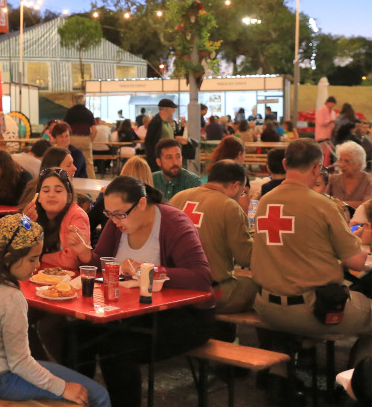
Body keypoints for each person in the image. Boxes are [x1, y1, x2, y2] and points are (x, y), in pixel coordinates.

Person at [66, 176, 214, 407]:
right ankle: (79, 402)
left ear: (142, 204)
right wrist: (85, 254)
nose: (114, 220)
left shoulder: (173, 221)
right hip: (130, 312)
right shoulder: (117, 225)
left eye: (120, 214)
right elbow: (102, 267)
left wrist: (147, 270)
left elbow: (202, 279)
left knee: (116, 349)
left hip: (183, 316)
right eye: (109, 214)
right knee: (75, 334)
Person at [0, 213, 110, 407]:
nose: (37, 266)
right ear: (9, 258)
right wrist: (63, 387)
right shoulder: (10, 296)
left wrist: (25, 218)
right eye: (33, 259)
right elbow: (20, 363)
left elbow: (21, 224)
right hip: (1, 380)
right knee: (98, 396)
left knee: (50, 369)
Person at [251, 139, 369, 349]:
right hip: (312, 309)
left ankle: (279, 373)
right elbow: (357, 263)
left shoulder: (265, 202)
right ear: (317, 168)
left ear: (286, 164)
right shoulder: (323, 205)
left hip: (266, 306)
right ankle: (359, 376)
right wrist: (357, 240)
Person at [169, 160, 258, 314]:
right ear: (235, 185)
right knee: (261, 289)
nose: (241, 196)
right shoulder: (229, 206)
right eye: (242, 192)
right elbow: (245, 257)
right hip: (211, 289)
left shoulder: (178, 198)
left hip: (174, 286)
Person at [19, 167, 90, 270]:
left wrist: (39, 256)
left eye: (58, 191)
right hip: (38, 275)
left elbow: (70, 261)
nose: (51, 195)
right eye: (46, 191)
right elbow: (17, 253)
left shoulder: (77, 215)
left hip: (70, 280)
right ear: (38, 197)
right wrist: (23, 225)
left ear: (69, 197)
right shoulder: (33, 214)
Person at [152, 138, 202, 203]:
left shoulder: (192, 182)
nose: (175, 162)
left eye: (178, 157)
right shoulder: (151, 180)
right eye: (169, 157)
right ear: (159, 162)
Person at [328, 141, 372, 209]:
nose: (342, 165)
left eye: (347, 161)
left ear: (359, 164)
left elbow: (367, 205)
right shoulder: (332, 179)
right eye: (340, 160)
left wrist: (336, 203)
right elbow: (324, 202)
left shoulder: (369, 180)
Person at [144, 98, 183, 173]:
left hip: (169, 155)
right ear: (166, 109)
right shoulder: (156, 121)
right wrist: (152, 159)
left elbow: (172, 136)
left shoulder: (167, 121)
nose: (174, 110)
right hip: (160, 157)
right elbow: (148, 141)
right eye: (172, 108)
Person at [63, 94, 96, 177]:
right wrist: (90, 140)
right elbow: (95, 130)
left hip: (73, 139)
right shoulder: (89, 113)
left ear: (73, 102)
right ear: (84, 102)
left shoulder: (70, 112)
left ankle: (72, 180)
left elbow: (65, 126)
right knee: (89, 163)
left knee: (72, 161)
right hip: (85, 139)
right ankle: (92, 183)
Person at [316, 96, 338, 166]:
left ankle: (325, 168)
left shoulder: (333, 113)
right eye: (330, 103)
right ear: (326, 103)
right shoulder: (321, 111)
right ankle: (320, 168)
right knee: (321, 154)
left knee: (327, 156)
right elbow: (321, 122)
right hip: (321, 136)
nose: (332, 104)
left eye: (333, 103)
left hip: (329, 137)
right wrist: (331, 120)